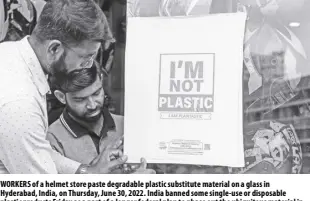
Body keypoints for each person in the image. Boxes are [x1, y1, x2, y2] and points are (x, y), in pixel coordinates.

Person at [0, 0, 145, 174]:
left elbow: (36, 150)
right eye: (86, 57)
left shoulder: (9, 53)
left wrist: (85, 171)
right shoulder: (19, 104)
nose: (87, 66)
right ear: (54, 49)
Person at [47, 65, 153, 174]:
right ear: (61, 97)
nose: (92, 105)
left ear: (101, 80)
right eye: (80, 100)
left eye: (96, 93)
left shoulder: (128, 126)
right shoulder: (51, 139)